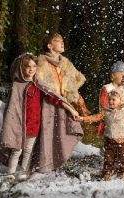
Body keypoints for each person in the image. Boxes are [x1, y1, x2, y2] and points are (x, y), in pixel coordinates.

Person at [0, 53, 78, 181]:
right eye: (28, 66)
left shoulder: (38, 84)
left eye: (34, 66)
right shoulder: (16, 85)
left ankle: (24, 172)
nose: (31, 69)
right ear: (21, 68)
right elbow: (12, 109)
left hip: (34, 124)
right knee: (16, 150)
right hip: (18, 124)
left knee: (28, 150)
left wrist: (70, 109)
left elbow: (53, 98)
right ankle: (10, 173)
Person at [34, 33, 88, 172]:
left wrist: (74, 95)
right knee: (47, 133)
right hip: (48, 103)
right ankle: (44, 164)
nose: (62, 43)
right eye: (58, 41)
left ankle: (57, 159)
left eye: (62, 40)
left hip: (64, 102)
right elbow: (40, 84)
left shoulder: (65, 63)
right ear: (49, 45)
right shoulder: (41, 63)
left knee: (63, 132)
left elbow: (76, 79)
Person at [77, 88, 124, 181]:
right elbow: (96, 117)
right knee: (109, 158)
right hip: (110, 139)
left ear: (121, 101)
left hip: (123, 139)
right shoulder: (106, 111)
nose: (111, 101)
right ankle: (107, 172)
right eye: (110, 99)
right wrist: (83, 119)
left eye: (114, 99)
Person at [97, 61, 124, 135]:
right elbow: (103, 105)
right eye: (122, 75)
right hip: (109, 119)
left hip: (121, 120)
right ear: (113, 75)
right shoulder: (107, 88)